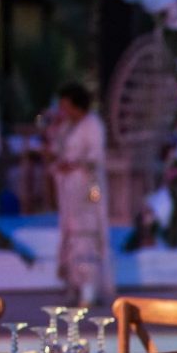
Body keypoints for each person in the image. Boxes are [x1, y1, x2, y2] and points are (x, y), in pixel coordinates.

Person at [51, 82, 113, 305]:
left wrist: (74, 165)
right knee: (71, 235)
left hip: (86, 189)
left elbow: (94, 156)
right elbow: (59, 151)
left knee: (86, 235)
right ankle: (75, 285)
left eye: (66, 105)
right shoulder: (67, 126)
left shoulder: (93, 125)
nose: (63, 110)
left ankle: (89, 288)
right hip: (69, 189)